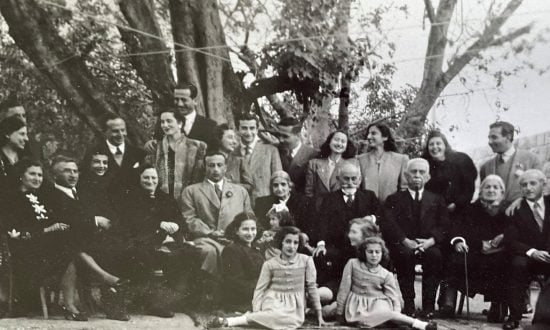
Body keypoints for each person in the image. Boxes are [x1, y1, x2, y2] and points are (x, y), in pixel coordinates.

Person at [4, 159, 82, 319]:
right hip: (26, 254)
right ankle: (70, 305)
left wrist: (57, 227)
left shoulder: (42, 197)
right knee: (69, 247)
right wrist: (49, 229)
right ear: (21, 176)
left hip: (47, 249)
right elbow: (15, 232)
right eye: (32, 174)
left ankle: (70, 305)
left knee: (70, 241)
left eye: (40, 175)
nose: (37, 178)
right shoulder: (12, 200)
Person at [209, 226, 326, 329]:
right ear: (281, 242)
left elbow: (312, 288)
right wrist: (257, 309)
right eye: (288, 242)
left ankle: (244, 318)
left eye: (295, 243)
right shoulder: (270, 264)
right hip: (272, 299)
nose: (292, 246)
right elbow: (260, 289)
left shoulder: (306, 261)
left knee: (291, 320)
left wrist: (319, 315)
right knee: (278, 316)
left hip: (294, 304)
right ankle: (232, 321)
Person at [180, 150, 252, 304]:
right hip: (205, 238)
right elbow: (189, 218)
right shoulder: (191, 191)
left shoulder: (240, 191)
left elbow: (248, 217)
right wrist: (210, 232)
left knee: (239, 252)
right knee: (210, 252)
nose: (216, 169)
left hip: (234, 238)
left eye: (219, 165)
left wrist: (238, 234)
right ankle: (210, 297)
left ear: (226, 167)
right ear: (205, 167)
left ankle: (236, 299)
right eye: (211, 165)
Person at [380, 158, 450, 318]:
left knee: (435, 256)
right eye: (413, 172)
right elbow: (389, 224)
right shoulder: (394, 199)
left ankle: (428, 306)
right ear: (406, 175)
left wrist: (430, 241)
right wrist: (405, 241)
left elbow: (444, 225)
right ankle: (409, 304)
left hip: (429, 243)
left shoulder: (437, 199)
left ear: (427, 177)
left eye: (421, 172)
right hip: (404, 242)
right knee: (404, 256)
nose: (417, 175)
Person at [439, 175, 509, 321]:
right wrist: (459, 241)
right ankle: (448, 303)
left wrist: (503, 236)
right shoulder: (470, 209)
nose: (491, 190)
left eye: (495, 187)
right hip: (472, 250)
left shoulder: (507, 212)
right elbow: (457, 228)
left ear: (502, 193)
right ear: (480, 191)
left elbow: (513, 231)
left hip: (497, 253)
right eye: (487, 187)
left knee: (503, 263)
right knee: (454, 258)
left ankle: (497, 306)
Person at [336, 237, 438, 330]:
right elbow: (344, 288)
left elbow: (393, 297)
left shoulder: (385, 274)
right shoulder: (353, 264)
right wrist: (340, 312)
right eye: (370, 252)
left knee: (386, 313)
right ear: (364, 252)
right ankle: (394, 323)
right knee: (360, 318)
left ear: (382, 253)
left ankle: (421, 325)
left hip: (378, 302)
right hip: (357, 302)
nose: (374, 255)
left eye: (377, 252)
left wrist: (396, 314)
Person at [311, 162, 380, 297]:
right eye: (346, 178)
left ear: (359, 180)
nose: (350, 182)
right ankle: (331, 292)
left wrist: (371, 218)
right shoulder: (330, 199)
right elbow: (322, 222)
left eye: (354, 179)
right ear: (338, 179)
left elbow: (381, 215)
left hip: (361, 245)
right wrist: (321, 244)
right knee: (324, 257)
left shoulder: (369, 196)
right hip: (337, 245)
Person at [503, 169, 550, 330]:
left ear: (543, 184)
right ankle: (514, 316)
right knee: (517, 265)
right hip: (528, 256)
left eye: (533, 183)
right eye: (524, 185)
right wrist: (533, 252)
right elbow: (511, 240)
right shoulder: (514, 210)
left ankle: (544, 320)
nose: (528, 188)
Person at [81, 114, 146, 202]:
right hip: (105, 207)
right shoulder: (94, 153)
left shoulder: (138, 153)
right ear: (105, 132)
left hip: (135, 206)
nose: (120, 134)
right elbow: (86, 183)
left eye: (123, 130)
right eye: (115, 131)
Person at [480, 121, 542, 205]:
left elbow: (540, 192)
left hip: (522, 216)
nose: (490, 142)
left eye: (494, 137)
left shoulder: (531, 159)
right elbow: (482, 196)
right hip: (495, 217)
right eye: (489, 138)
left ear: (508, 137)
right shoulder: (486, 167)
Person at [151, 108, 206, 200]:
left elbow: (200, 177)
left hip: (189, 200)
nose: (165, 125)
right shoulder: (156, 147)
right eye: (162, 122)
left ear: (180, 123)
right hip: (161, 201)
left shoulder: (197, 146)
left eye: (169, 121)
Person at [422, 130, 477, 216]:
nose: (435, 147)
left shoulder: (461, 160)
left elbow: (469, 188)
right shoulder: (424, 164)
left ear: (445, 145)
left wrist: (457, 204)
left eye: (438, 143)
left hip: (459, 211)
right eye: (431, 144)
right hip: (435, 212)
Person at [147, 83, 217, 149]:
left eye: (184, 100)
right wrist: (151, 144)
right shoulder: (164, 123)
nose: (179, 104)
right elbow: (158, 147)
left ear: (195, 101)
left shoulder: (210, 126)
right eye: (176, 99)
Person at [220, 212, 264, 312]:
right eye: (245, 229)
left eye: (253, 229)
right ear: (236, 231)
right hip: (241, 299)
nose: (250, 233)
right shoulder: (231, 250)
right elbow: (235, 283)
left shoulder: (257, 248)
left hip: (259, 292)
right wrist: (263, 288)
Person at [236, 112, 282, 203]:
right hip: (239, 204)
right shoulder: (232, 152)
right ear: (238, 129)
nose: (248, 133)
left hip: (265, 203)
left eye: (252, 128)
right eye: (244, 128)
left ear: (257, 130)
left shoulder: (270, 150)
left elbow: (278, 180)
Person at [357, 123, 409, 203]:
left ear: (385, 137)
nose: (368, 137)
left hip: (392, 210)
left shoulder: (401, 159)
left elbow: (404, 189)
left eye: (373, 133)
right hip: (367, 211)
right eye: (368, 134)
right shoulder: (360, 159)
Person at [305, 130, 358, 199]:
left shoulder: (352, 165)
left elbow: (353, 192)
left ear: (346, 146)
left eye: (343, 141)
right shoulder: (314, 164)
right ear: (329, 142)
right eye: (336, 140)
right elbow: (309, 192)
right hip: (319, 208)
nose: (339, 144)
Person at [272, 117, 318, 194]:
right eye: (279, 135)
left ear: (298, 135)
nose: (280, 140)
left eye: (285, 136)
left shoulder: (312, 155)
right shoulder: (274, 151)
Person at [211, 123, 253, 193]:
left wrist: (231, 186)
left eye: (235, 138)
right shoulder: (207, 160)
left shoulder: (239, 161)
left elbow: (250, 186)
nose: (235, 142)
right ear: (219, 138)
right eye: (230, 137)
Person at [0, 116, 29, 190]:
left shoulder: (25, 157)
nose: (26, 139)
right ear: (7, 134)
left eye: (26, 134)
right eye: (22, 134)